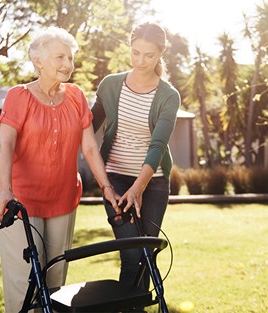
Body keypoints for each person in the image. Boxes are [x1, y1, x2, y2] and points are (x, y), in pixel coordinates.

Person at [0, 26, 119, 313]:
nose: (67, 64)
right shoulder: (18, 96)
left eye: (70, 58)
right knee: (24, 281)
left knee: (56, 281)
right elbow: (6, 145)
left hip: (62, 198)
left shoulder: (75, 96)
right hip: (19, 200)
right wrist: (5, 192)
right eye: (60, 57)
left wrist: (107, 187)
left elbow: (88, 148)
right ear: (38, 62)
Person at [91, 21, 181, 299]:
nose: (141, 61)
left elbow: (158, 145)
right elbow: (86, 127)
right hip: (114, 180)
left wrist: (139, 187)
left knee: (147, 255)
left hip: (152, 183)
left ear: (161, 54)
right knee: (131, 255)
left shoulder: (168, 96)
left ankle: (135, 306)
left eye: (149, 55)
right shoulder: (110, 85)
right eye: (135, 52)